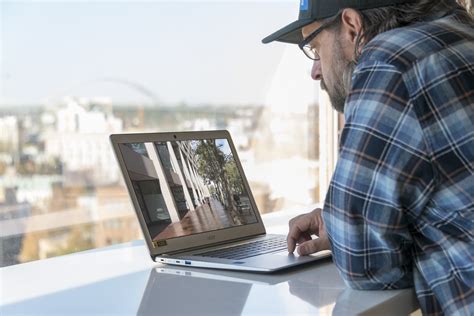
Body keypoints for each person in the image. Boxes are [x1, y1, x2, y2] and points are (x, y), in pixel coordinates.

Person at [262, 0, 473, 314]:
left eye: (315, 48)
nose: (315, 71)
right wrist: (339, 222)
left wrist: (350, 227)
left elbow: (366, 265)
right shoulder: (462, 38)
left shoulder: (391, 61)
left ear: (351, 26)